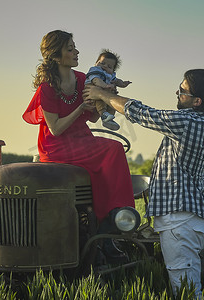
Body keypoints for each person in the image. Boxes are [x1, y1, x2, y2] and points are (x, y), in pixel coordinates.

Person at [83, 69, 204, 298]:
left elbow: (143, 114)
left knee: (187, 291)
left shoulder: (188, 121)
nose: (177, 93)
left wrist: (103, 95)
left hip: (180, 219)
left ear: (197, 101)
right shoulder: (201, 122)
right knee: (186, 286)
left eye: (182, 91)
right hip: (184, 218)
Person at [22, 30, 135, 232]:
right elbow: (55, 129)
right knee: (114, 149)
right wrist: (80, 109)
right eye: (70, 49)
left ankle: (117, 219)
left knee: (114, 151)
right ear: (56, 56)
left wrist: (104, 101)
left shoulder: (83, 79)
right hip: (55, 147)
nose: (77, 52)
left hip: (82, 140)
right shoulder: (47, 88)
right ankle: (110, 220)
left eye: (75, 47)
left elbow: (91, 118)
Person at [85, 49, 132, 131]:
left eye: (109, 66)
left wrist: (123, 84)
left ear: (113, 70)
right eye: (102, 63)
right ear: (96, 63)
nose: (105, 66)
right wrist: (105, 86)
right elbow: (96, 80)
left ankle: (108, 119)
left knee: (113, 102)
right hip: (91, 93)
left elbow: (116, 81)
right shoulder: (96, 70)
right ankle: (103, 113)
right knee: (101, 96)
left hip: (104, 93)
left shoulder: (111, 75)